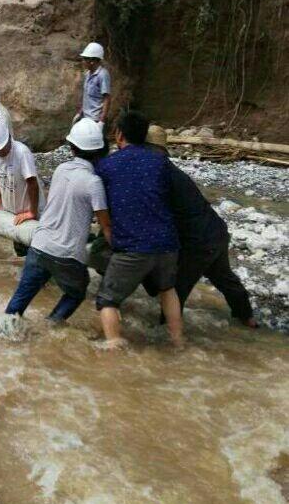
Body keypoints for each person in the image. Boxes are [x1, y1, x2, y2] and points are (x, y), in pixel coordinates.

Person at [145, 125, 256, 328]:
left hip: (198, 242)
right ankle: (248, 319)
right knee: (224, 279)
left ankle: (165, 338)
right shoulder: (169, 170)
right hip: (216, 232)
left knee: (176, 289)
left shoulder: (157, 172)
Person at [4, 118, 111, 323]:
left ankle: (3, 331)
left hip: (39, 245)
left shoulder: (61, 169)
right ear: (100, 152)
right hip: (67, 255)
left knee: (19, 300)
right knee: (76, 292)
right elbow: (105, 225)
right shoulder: (94, 183)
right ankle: (50, 326)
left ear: (71, 148)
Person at [95, 110, 183, 349]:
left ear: (119, 135)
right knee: (167, 289)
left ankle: (114, 348)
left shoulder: (107, 165)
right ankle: (178, 342)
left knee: (107, 300)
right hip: (167, 243)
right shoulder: (161, 162)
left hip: (132, 247)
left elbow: (99, 203)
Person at [0, 118, 45, 256]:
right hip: (14, 213)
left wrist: (32, 212)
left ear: (9, 137)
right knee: (21, 251)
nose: (0, 152)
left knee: (39, 250)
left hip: (32, 211)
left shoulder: (22, 153)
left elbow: (32, 183)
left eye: (2, 148)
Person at [78, 42, 111, 127]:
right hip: (86, 117)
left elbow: (106, 98)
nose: (83, 61)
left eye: (85, 59)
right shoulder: (88, 74)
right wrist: (80, 112)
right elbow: (87, 96)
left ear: (92, 61)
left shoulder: (102, 75)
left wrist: (102, 121)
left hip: (95, 119)